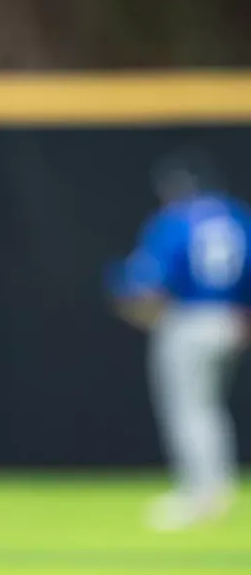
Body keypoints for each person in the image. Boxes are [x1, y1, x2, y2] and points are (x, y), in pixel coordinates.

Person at [107, 149, 249, 532]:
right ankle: (218, 488)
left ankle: (201, 494)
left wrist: (135, 305)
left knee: (189, 409)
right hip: (232, 321)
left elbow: (144, 284)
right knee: (210, 408)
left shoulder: (175, 220)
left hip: (188, 320)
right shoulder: (237, 216)